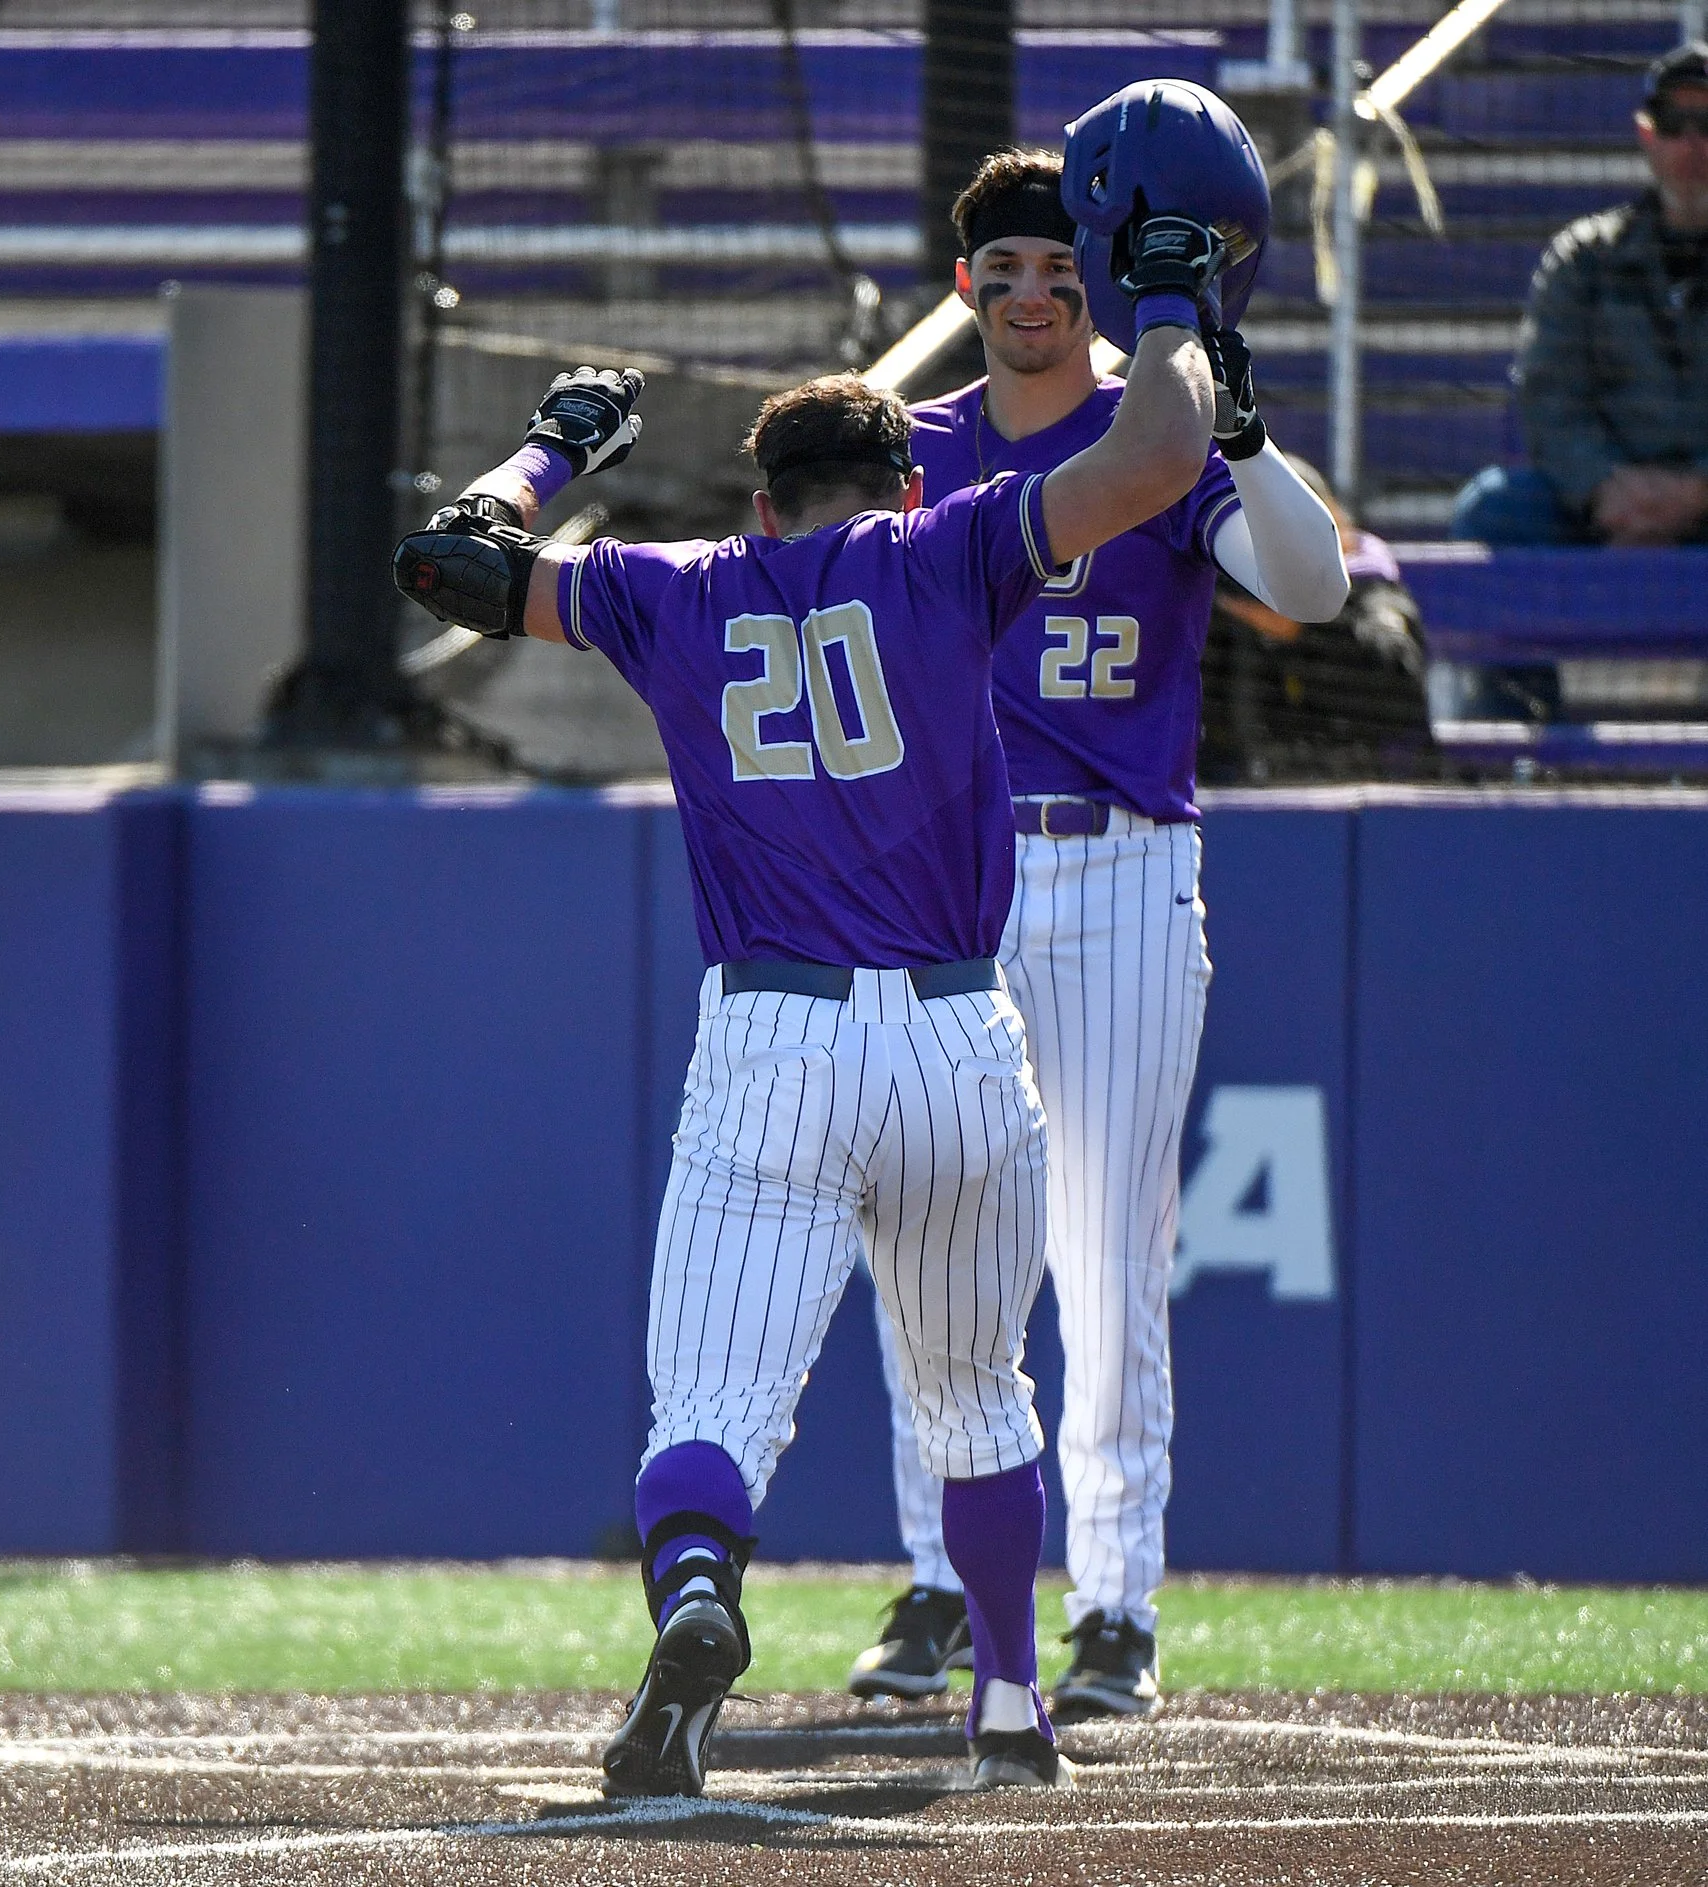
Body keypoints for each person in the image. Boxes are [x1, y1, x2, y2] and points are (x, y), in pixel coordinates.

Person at [396, 182, 1236, 1791]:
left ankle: (702, 1599)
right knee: (979, 1388)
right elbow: (1157, 460)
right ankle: (1006, 1693)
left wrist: (555, 451)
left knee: (713, 1394)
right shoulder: (947, 549)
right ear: (905, 478)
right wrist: (1176, 320)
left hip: (772, 1032)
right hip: (954, 1034)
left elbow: (449, 563)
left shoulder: (676, 588)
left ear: (759, 498)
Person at [841, 150, 1346, 1722]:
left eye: (1062, 268)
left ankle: (1115, 1601)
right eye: (1005, 272)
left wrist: (1243, 428)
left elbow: (1311, 588)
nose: (1035, 296)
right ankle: (940, 1570)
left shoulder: (1162, 427)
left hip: (1121, 863)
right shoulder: (914, 453)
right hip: (949, 877)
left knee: (1108, 1249)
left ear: (1099, 281)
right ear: (966, 287)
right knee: (922, 1230)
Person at [1454, 42, 1708, 546]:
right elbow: (1549, 394)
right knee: (1491, 511)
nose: (1692, 144)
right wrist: (1603, 490)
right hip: (1604, 507)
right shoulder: (1585, 256)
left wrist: (1696, 493)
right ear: (1647, 133)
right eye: (1674, 123)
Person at [1202, 453, 1433, 782]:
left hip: (1359, 788)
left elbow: (1404, 690)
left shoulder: (1371, 590)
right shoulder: (1223, 605)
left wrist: (1306, 627)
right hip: (1246, 797)